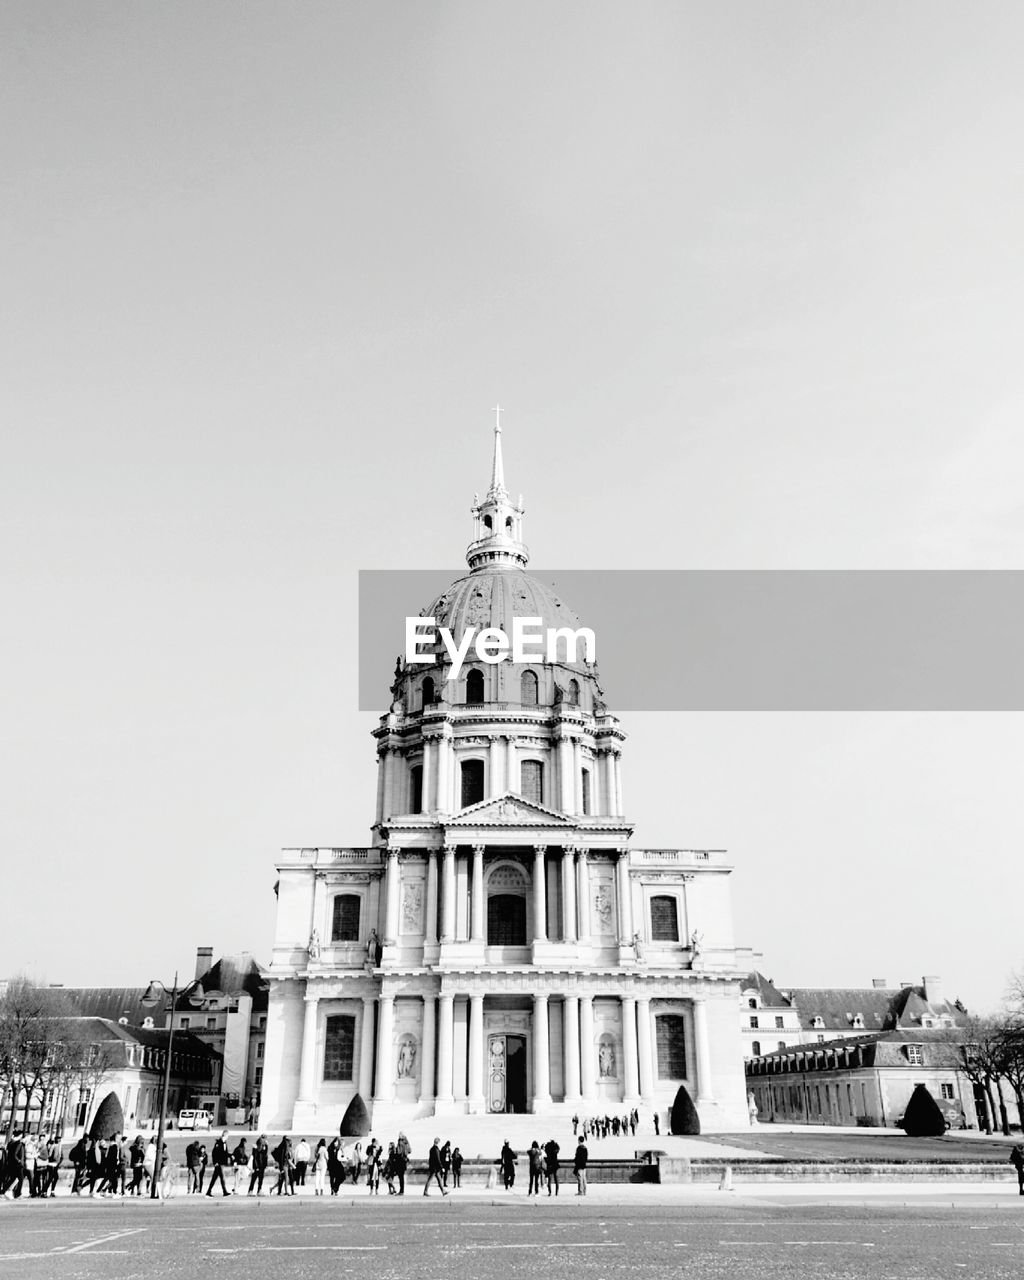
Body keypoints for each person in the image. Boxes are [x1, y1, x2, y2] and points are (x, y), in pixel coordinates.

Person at [206, 1130, 232, 1197]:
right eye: (227, 1136)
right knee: (222, 1177)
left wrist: (231, 1155)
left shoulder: (225, 1143)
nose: (228, 1137)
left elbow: (224, 1153)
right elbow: (214, 1153)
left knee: (214, 1178)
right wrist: (215, 1162)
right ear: (225, 1135)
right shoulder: (218, 1143)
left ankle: (208, 1192)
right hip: (219, 1163)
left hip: (222, 1163)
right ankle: (224, 1192)